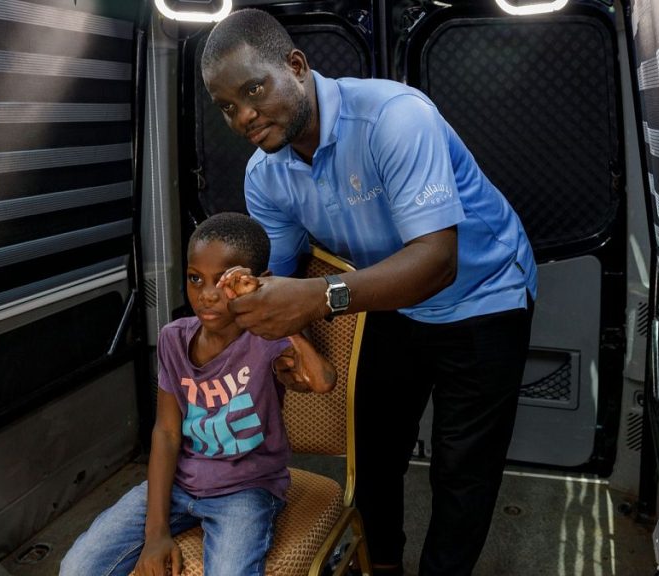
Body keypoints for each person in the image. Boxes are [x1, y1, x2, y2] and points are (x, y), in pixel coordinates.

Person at [200, 9, 538, 576]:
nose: (245, 116)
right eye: (228, 106)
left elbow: (436, 261)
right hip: (386, 297)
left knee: (461, 470)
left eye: (254, 89)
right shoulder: (265, 174)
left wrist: (314, 301)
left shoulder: (394, 118)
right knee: (375, 454)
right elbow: (281, 280)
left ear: (297, 66)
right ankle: (382, 567)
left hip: (483, 293)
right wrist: (278, 343)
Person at [59, 212, 337, 576]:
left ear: (256, 282)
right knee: (77, 567)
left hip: (246, 490)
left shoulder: (265, 340)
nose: (206, 295)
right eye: (195, 279)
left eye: (224, 282)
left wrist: (282, 316)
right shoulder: (174, 338)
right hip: (179, 483)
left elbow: (323, 381)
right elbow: (167, 432)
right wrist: (156, 533)